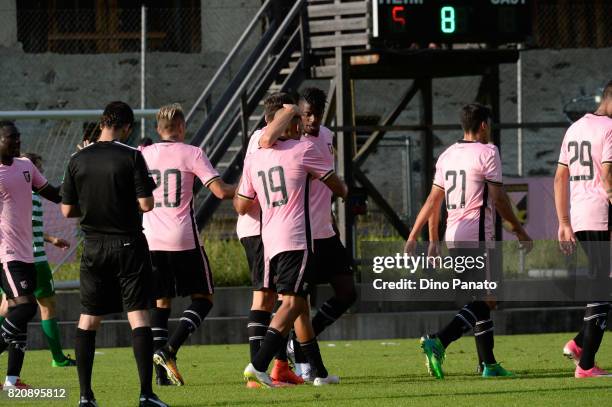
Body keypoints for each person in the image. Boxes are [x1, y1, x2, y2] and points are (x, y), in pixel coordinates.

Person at [404, 103, 532, 379]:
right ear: (483, 125)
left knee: (479, 298)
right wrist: (519, 229)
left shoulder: (448, 154)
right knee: (488, 299)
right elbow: (498, 198)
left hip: (454, 233)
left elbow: (432, 201)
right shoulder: (488, 152)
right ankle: (440, 340)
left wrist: (426, 237)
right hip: (477, 234)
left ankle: (489, 364)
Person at [61, 101, 168, 407]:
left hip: (93, 246)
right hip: (128, 245)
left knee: (88, 318)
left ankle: (85, 396)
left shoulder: (78, 158)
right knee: (137, 315)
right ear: (128, 127)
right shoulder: (132, 156)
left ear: (102, 122)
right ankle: (146, 394)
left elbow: (68, 209)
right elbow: (146, 204)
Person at [234, 106, 347, 387]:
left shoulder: (254, 158)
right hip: (295, 238)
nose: (301, 124)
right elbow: (337, 186)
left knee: (299, 306)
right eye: (296, 119)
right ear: (285, 123)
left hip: (268, 239)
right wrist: (340, 188)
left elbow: (240, 203)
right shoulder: (303, 150)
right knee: (293, 302)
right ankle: (259, 364)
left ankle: (318, 373)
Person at [260, 87, 358, 379]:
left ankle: (298, 347)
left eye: (317, 114)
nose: (312, 120)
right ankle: (295, 363)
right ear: (295, 115)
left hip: (325, 230)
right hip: (301, 234)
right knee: (297, 301)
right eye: (306, 114)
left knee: (347, 292)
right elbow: (265, 140)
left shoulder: (327, 136)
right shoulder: (290, 142)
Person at [142, 103, 235, 386]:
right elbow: (220, 191)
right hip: (182, 238)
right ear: (182, 128)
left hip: (149, 239)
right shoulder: (192, 153)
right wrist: (249, 186)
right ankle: (169, 349)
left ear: (158, 130)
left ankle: (160, 376)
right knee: (204, 298)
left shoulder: (143, 154)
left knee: (161, 301)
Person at [239, 92, 307, 386]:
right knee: (267, 298)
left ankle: (278, 365)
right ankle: (259, 368)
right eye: (291, 119)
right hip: (262, 228)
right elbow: (243, 203)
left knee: (285, 298)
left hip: (269, 228)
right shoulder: (263, 140)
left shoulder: (275, 142)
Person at [554, 80, 612, 378]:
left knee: (602, 284)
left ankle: (579, 345)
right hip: (602, 213)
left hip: (579, 215)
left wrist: (564, 222)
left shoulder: (574, 128)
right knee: (601, 287)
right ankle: (586, 364)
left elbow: (559, 178)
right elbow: (607, 174)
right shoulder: (609, 128)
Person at [0, 121, 62, 389]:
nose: (17, 142)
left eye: (18, 138)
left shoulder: (26, 166)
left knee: (18, 312)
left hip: (28, 255)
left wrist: (78, 176)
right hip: (6, 254)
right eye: (11, 138)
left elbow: (55, 194)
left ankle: (12, 380)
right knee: (26, 306)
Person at [0, 152, 75, 368]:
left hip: (15, 257)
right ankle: (58, 357)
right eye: (39, 168)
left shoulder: (19, 185)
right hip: (30, 258)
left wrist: (51, 238)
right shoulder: (28, 191)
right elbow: (24, 225)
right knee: (40, 306)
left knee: (12, 307)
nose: (39, 173)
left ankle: (13, 379)